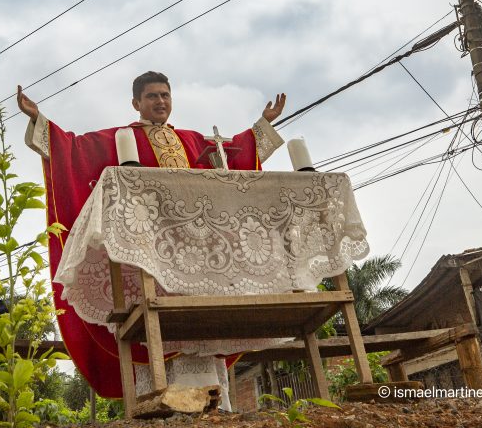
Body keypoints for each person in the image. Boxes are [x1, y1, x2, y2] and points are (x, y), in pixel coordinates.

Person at [16, 71, 286, 400]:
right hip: (149, 256)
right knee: (155, 324)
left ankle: (213, 404)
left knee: (199, 325)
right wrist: (39, 120)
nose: (160, 101)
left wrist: (262, 126)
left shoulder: (192, 140)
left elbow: (232, 157)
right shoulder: (118, 138)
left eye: (165, 95)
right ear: (136, 103)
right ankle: (159, 401)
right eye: (152, 96)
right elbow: (73, 150)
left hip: (198, 257)